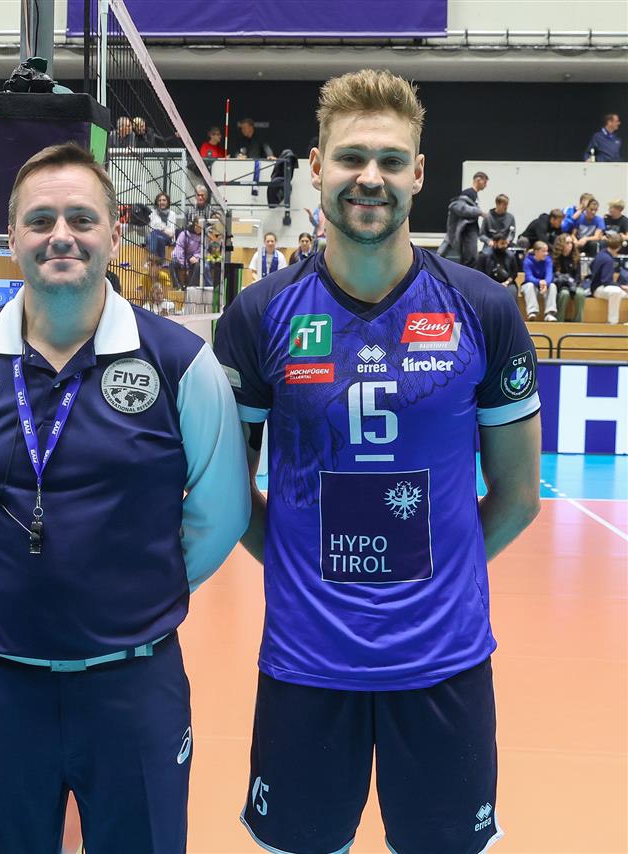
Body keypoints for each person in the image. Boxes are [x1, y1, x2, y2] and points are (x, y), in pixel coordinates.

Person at [214, 68, 540, 854]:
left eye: (392, 160)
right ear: (316, 167)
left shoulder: (483, 310)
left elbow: (520, 494)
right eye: (351, 157)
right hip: (306, 663)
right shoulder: (260, 316)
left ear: (418, 174)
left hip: (443, 664)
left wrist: (438, 578)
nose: (371, 177)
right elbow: (227, 494)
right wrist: (303, 570)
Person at [0, 142, 248, 853]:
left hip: (134, 684)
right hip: (0, 684)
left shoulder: (179, 361)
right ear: (13, 239)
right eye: (40, 221)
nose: (60, 235)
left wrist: (134, 587)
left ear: (114, 233)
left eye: (81, 219)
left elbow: (221, 512)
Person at [437, 182, 484, 264]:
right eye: (485, 182)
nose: (485, 185)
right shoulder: (460, 203)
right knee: (443, 251)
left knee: (469, 257)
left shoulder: (467, 218)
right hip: (458, 233)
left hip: (465, 235)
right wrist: (480, 212)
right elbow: (463, 209)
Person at [588, 232, 627, 324]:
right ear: (619, 247)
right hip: (599, 289)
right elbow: (606, 281)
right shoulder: (608, 260)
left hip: (597, 287)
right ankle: (612, 322)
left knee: (618, 291)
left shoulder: (601, 253)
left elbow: (591, 265)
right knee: (616, 292)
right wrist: (622, 287)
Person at [552, 232, 587, 321]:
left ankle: (578, 321)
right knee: (564, 294)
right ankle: (559, 320)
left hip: (574, 284)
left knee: (580, 294)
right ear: (561, 244)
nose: (570, 245)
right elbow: (554, 276)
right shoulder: (555, 258)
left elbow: (578, 276)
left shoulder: (575, 257)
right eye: (567, 243)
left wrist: (574, 284)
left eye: (571, 243)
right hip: (561, 285)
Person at [475, 233, 521, 297]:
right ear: (495, 243)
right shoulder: (484, 255)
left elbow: (514, 273)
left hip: (507, 283)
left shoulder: (511, 256)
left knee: (512, 291)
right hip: (489, 283)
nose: (505, 246)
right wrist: (490, 284)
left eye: (506, 243)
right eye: (502, 243)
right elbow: (480, 273)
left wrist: (506, 283)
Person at [522, 240, 559, 321]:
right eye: (543, 251)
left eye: (547, 251)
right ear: (536, 252)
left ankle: (550, 313)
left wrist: (545, 283)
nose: (546, 253)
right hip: (532, 286)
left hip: (544, 286)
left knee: (552, 286)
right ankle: (532, 312)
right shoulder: (527, 261)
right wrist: (539, 282)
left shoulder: (548, 260)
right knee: (529, 285)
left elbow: (549, 274)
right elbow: (528, 277)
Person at [171, 216, 205, 288]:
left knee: (198, 265)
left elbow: (201, 250)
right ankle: (177, 287)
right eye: (199, 226)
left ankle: (191, 287)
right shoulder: (184, 234)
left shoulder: (203, 237)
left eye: (202, 227)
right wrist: (185, 266)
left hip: (192, 257)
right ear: (195, 224)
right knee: (172, 264)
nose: (200, 229)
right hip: (181, 257)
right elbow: (179, 249)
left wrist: (196, 257)